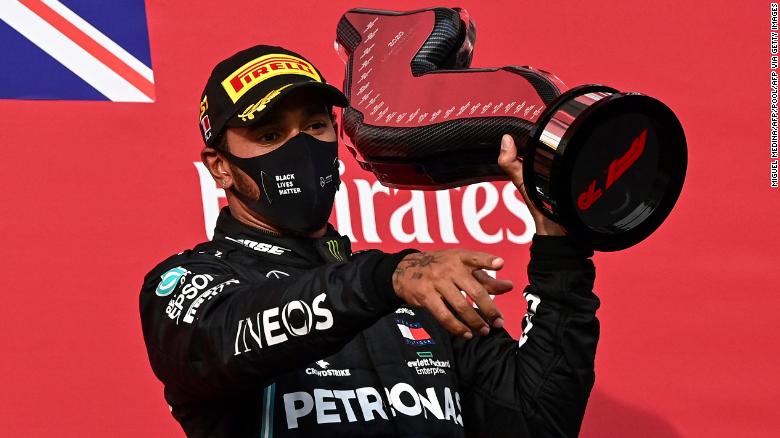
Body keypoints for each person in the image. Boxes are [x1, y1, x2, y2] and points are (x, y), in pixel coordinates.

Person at [140, 45, 600, 438]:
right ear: (219, 166)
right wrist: (387, 279)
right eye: (270, 135)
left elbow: (537, 421)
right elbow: (222, 339)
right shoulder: (191, 283)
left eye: (315, 127)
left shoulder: (418, 290)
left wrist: (559, 244)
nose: (299, 149)